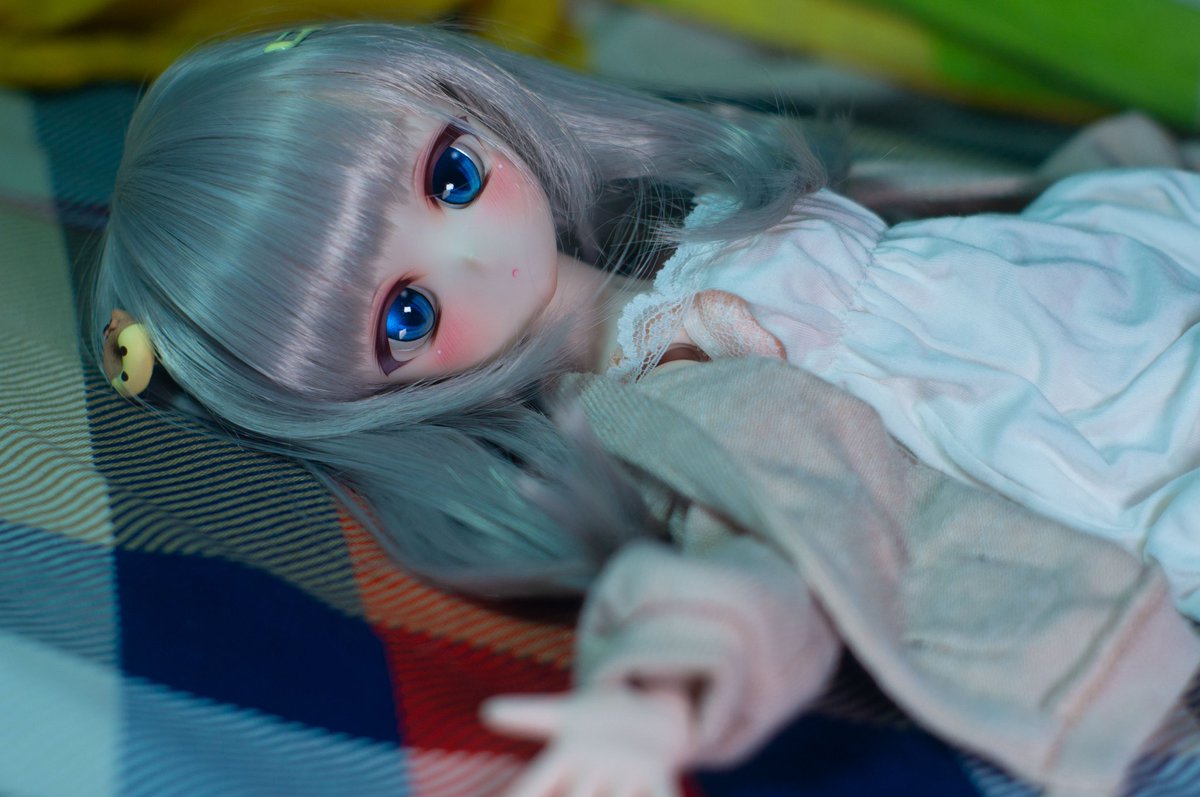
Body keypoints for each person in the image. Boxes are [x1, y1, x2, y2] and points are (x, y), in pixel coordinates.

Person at [91, 22, 1200, 795]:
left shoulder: (685, 225)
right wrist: (657, 684)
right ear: (361, 403)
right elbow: (771, 540)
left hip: (1104, 279)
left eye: (452, 179)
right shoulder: (658, 393)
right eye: (408, 315)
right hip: (1097, 428)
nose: (474, 260)